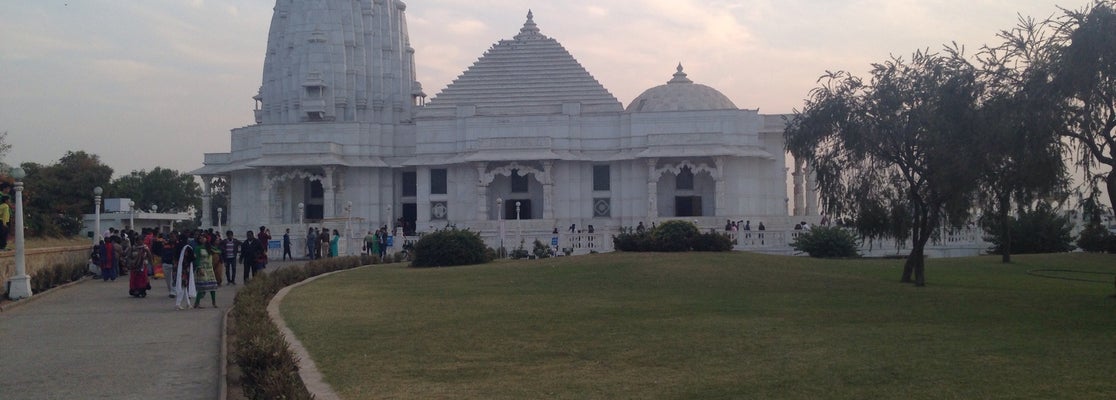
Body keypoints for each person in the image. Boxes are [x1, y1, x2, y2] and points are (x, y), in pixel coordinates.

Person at [192, 233, 219, 309]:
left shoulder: (210, 247)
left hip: (210, 269)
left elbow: (219, 251)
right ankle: (197, 303)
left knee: (212, 287)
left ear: (207, 239)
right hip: (202, 269)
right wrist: (199, 268)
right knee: (202, 287)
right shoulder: (198, 248)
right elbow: (196, 259)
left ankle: (214, 302)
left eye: (203, 238)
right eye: (200, 238)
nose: (202, 239)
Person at [174, 234, 196, 310]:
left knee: (185, 286)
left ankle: (188, 303)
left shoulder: (177, 246)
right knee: (183, 286)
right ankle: (178, 303)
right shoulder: (188, 247)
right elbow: (192, 258)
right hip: (185, 268)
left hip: (179, 268)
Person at [160, 232, 179, 297]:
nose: (172, 238)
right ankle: (171, 290)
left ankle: (173, 292)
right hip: (166, 263)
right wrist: (162, 261)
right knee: (168, 279)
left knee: (173, 278)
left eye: (173, 237)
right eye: (171, 237)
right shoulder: (166, 244)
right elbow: (163, 253)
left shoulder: (178, 244)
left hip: (174, 264)